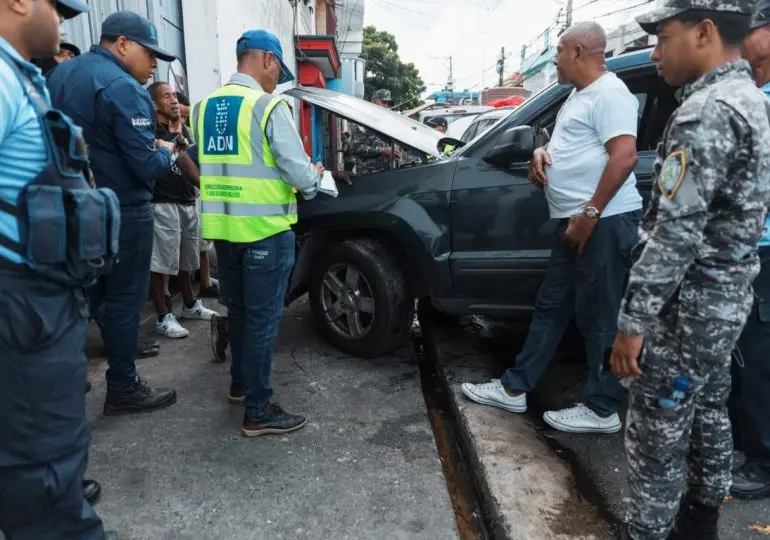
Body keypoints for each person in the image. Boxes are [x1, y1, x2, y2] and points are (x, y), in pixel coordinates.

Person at [611, 2, 770, 538]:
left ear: (704, 32)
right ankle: (700, 521)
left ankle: (648, 531)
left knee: (656, 431)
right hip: (725, 303)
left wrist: (632, 325)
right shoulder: (749, 97)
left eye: (664, 37)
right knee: (707, 408)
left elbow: (675, 235)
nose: (655, 52)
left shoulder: (707, 110)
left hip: (688, 310)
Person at [461, 21, 642, 435]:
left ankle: (602, 409)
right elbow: (576, 146)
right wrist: (543, 153)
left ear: (578, 52)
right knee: (551, 306)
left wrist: (588, 216)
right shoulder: (579, 96)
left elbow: (624, 157)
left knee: (599, 316)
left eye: (559, 50)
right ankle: (514, 389)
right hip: (576, 222)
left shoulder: (611, 94)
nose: (555, 58)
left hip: (603, 222)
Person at [0, 0, 119, 538]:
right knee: (44, 488)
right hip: (21, 316)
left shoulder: (21, 79)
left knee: (48, 473)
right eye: (57, 7)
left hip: (39, 311)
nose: (64, 21)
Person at [47, 11, 186, 415]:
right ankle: (123, 386)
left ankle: (66, 382)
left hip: (70, 208)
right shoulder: (122, 86)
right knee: (124, 301)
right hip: (122, 211)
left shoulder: (60, 76)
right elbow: (146, 166)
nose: (155, 64)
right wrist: (168, 151)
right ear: (123, 44)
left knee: (85, 297)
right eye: (150, 54)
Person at [193, 29, 322, 436]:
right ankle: (259, 410)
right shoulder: (268, 107)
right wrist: (314, 178)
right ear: (266, 59)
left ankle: (239, 386)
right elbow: (297, 172)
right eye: (278, 69)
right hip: (265, 231)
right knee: (263, 323)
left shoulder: (202, 108)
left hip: (224, 233)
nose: (278, 78)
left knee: (242, 314)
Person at [726, 0, 770, 501]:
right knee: (744, 352)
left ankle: (762, 459)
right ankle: (744, 444)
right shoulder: (753, 95)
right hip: (746, 248)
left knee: (761, 355)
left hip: (766, 249)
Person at [147, 81, 218, 338]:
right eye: (167, 97)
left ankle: (190, 305)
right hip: (163, 201)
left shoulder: (184, 130)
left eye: (175, 96)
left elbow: (190, 163)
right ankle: (163, 317)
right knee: (161, 263)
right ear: (155, 104)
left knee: (187, 260)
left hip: (187, 200)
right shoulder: (150, 131)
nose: (174, 100)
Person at [350, 88, 402, 174]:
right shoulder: (362, 122)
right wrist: (382, 150)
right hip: (369, 174)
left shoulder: (388, 123)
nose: (386, 106)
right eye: (384, 102)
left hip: (389, 173)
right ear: (374, 102)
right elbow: (356, 148)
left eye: (388, 104)